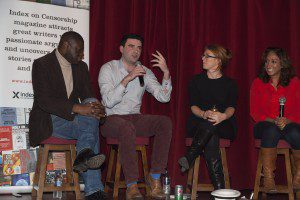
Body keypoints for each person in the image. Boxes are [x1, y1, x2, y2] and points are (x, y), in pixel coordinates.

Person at [29, 31, 107, 200]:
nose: (82, 54)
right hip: (49, 121)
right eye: (78, 50)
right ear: (65, 46)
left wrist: (98, 109)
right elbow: (44, 101)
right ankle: (94, 189)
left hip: (72, 122)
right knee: (90, 128)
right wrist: (78, 108)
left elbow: (88, 97)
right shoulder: (42, 64)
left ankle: (84, 154)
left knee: (92, 106)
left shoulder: (81, 66)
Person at [98, 34, 172, 200]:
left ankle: (154, 178)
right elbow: (108, 101)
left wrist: (166, 73)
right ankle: (132, 184)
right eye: (131, 46)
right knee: (126, 127)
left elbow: (163, 97)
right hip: (111, 118)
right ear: (122, 49)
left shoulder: (144, 71)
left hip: (134, 118)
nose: (136, 51)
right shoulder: (108, 69)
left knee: (164, 122)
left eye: (139, 47)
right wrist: (127, 78)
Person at [178, 44, 238, 190]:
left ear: (218, 61)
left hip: (224, 123)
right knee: (210, 129)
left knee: (212, 127)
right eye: (203, 55)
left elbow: (231, 107)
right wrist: (204, 114)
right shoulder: (196, 80)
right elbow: (193, 106)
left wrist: (222, 116)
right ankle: (220, 189)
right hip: (199, 122)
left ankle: (190, 156)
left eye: (207, 56)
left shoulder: (230, 83)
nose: (203, 58)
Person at [250, 47, 300, 192]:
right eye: (267, 62)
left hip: (289, 123)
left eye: (273, 61)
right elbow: (255, 112)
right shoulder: (258, 83)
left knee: (296, 133)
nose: (268, 65)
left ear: (282, 64)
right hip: (265, 124)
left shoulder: (295, 82)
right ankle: (268, 179)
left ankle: (298, 177)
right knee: (271, 130)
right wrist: (274, 121)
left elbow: (298, 110)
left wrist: (287, 120)